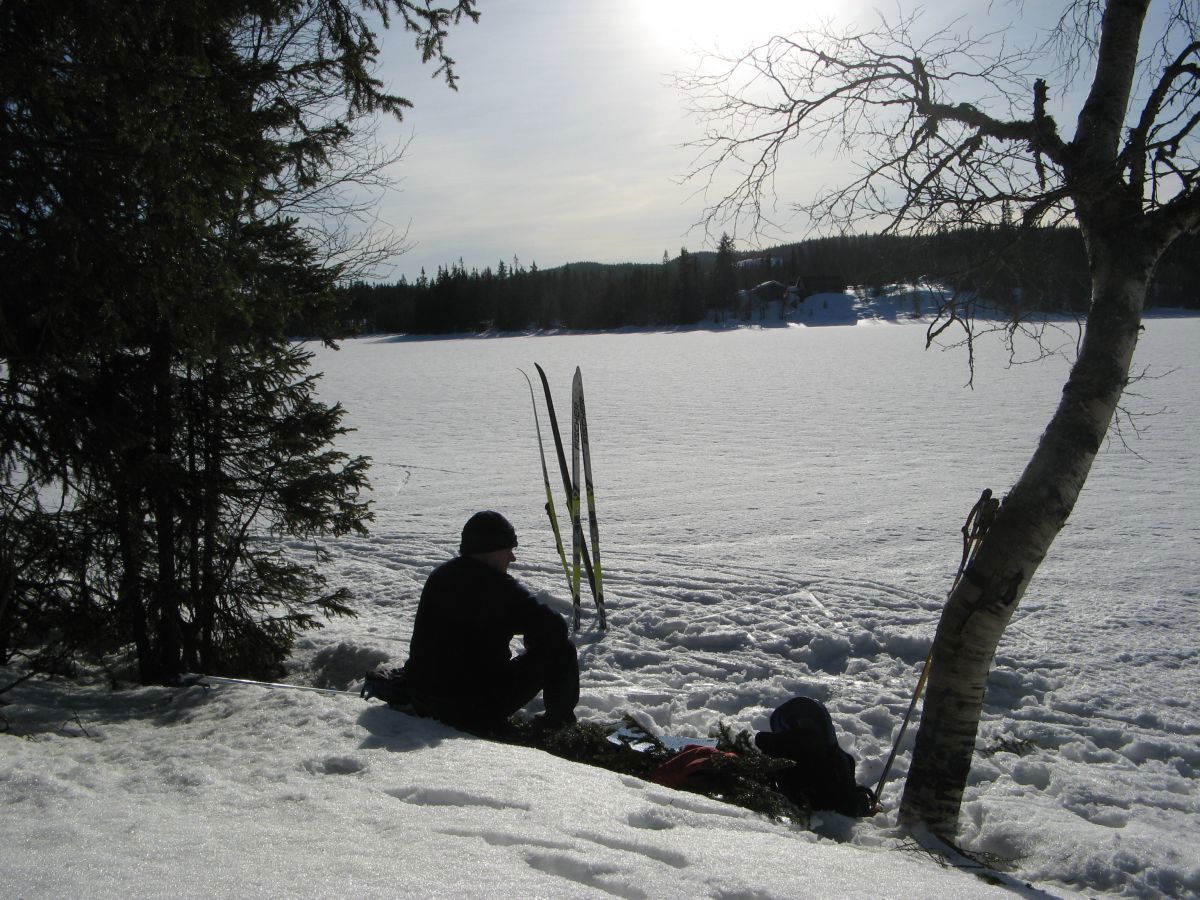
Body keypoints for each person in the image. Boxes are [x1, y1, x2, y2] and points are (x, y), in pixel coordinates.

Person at [404, 511, 579, 736]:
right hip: (473, 708)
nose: (512, 558)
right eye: (509, 550)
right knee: (562, 649)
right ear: (492, 550)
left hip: (423, 698)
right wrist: (536, 640)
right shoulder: (498, 587)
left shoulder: (440, 576)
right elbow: (555, 627)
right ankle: (558, 728)